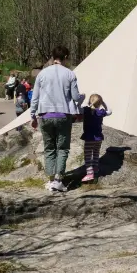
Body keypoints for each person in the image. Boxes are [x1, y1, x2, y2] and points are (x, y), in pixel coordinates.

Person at [30, 45, 82, 193]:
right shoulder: (70, 74)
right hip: (63, 115)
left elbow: (35, 97)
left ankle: (51, 179)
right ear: (65, 57)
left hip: (45, 115)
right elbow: (76, 97)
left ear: (53, 58)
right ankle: (59, 180)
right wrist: (81, 98)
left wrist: (33, 115)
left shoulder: (42, 74)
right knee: (63, 148)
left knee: (49, 148)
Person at [81, 93, 110, 182]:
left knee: (88, 156)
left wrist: (87, 102)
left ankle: (89, 174)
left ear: (90, 101)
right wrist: (104, 104)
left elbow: (79, 107)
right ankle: (95, 168)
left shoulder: (86, 110)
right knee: (96, 152)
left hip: (89, 138)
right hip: (98, 138)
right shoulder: (101, 112)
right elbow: (110, 111)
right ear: (100, 102)